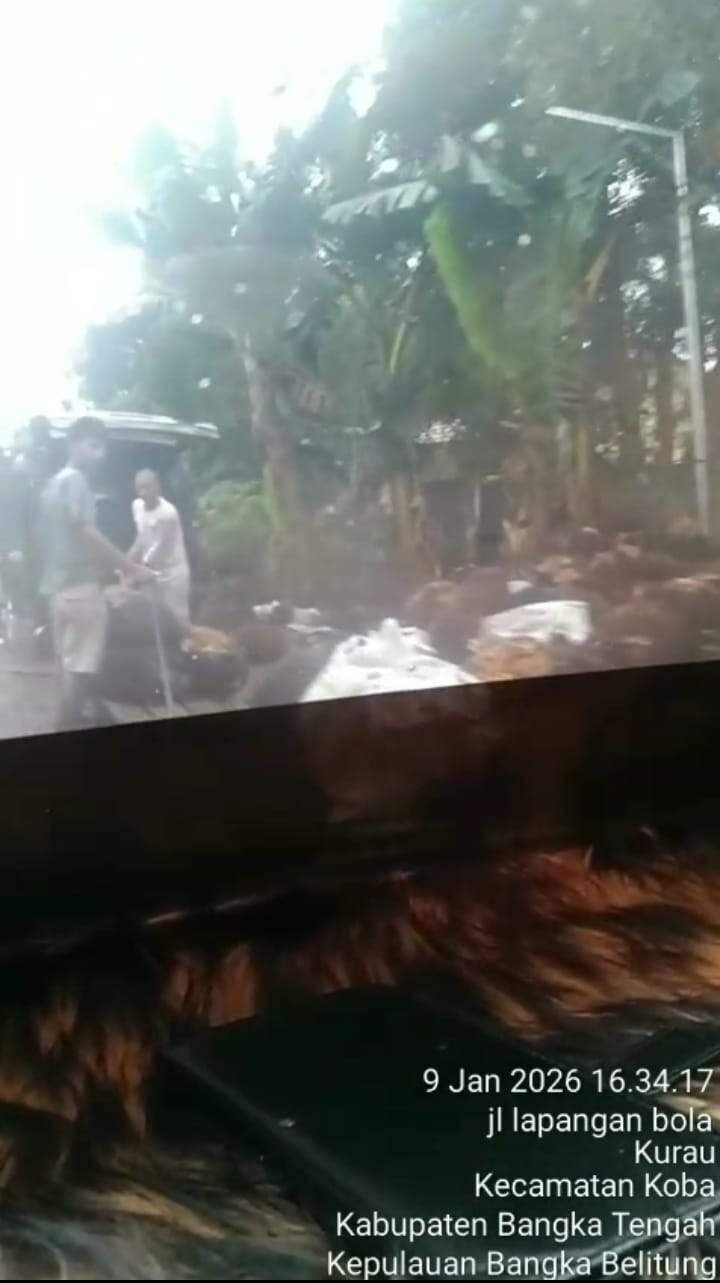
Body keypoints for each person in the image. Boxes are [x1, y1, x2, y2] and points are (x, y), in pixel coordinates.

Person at [39, 417, 153, 731]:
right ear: (73, 445)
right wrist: (130, 567)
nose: (99, 454)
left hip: (57, 587)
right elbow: (85, 531)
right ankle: (66, 727)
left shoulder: (53, 483)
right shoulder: (76, 481)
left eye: (102, 448)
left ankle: (69, 722)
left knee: (67, 664)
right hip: (80, 586)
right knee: (82, 667)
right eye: (92, 446)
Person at [130, 468, 191, 627]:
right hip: (150, 573)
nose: (142, 493)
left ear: (157, 487)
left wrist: (134, 571)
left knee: (178, 622)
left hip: (172, 574)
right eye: (139, 489)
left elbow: (158, 548)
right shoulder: (137, 506)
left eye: (147, 487)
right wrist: (125, 563)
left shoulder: (168, 513)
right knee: (154, 621)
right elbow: (141, 538)